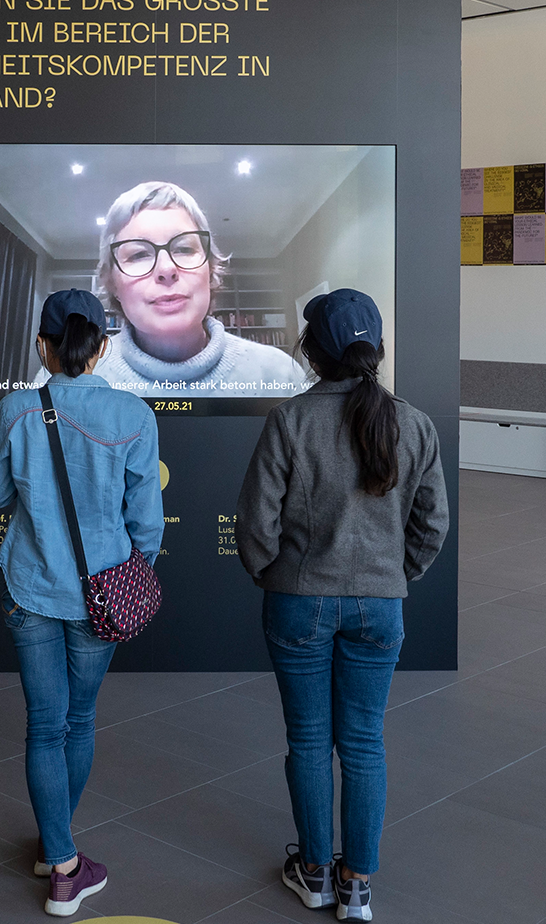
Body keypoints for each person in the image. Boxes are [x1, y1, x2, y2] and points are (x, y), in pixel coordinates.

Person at [235, 288, 448, 922]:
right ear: (376, 348)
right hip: (380, 607)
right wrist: (394, 575)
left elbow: (255, 524)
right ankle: (356, 887)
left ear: (312, 352)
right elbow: (432, 525)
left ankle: (314, 874)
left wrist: (273, 574)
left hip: (298, 602)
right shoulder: (414, 423)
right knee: (363, 742)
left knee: (308, 741)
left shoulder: (290, 420)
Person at [0, 289, 164, 917]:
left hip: (30, 585)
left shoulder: (16, 407)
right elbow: (147, 523)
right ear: (102, 347)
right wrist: (132, 568)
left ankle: (57, 852)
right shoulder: (134, 415)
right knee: (79, 721)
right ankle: (60, 861)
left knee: (44, 724)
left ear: (43, 345)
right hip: (102, 593)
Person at [87, 181, 307, 398]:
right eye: (139, 254)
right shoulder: (77, 379)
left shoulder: (281, 376)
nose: (167, 269)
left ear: (210, 269)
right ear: (112, 282)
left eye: (184, 249)